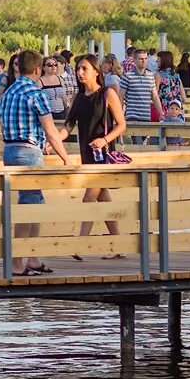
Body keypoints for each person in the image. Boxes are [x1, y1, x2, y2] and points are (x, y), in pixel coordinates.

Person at [0, 48, 71, 275]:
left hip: (9, 149)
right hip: (28, 151)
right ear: (38, 69)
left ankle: (33, 256)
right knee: (29, 206)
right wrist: (66, 158)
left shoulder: (9, 92)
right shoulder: (35, 93)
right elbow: (51, 131)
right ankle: (18, 263)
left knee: (35, 202)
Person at [66, 54, 126, 256]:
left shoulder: (107, 93)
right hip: (87, 153)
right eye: (78, 69)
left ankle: (80, 245)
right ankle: (118, 245)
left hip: (103, 155)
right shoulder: (79, 97)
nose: (80, 73)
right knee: (102, 197)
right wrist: (54, 141)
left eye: (84, 68)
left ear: (96, 72)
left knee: (90, 196)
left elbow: (121, 124)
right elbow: (68, 125)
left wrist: (105, 140)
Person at [121, 50, 157, 124]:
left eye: (145, 58)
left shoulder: (150, 76)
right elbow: (121, 96)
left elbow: (155, 96)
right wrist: (120, 114)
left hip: (146, 115)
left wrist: (160, 112)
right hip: (132, 116)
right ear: (134, 60)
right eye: (141, 59)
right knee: (137, 136)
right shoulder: (127, 76)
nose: (144, 61)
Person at [156, 50, 186, 122]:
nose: (156, 61)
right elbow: (183, 97)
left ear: (163, 61)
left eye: (158, 59)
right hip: (177, 110)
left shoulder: (159, 75)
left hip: (165, 110)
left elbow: (155, 94)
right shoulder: (176, 75)